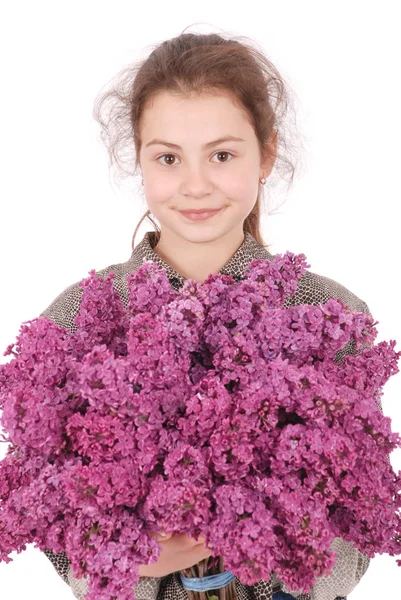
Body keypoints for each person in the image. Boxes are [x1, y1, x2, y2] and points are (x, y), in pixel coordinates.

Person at [39, 25, 375, 600]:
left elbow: (357, 517)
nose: (195, 185)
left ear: (266, 155)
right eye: (168, 157)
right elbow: (50, 514)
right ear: (139, 163)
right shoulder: (78, 318)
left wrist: (269, 548)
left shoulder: (328, 313)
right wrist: (129, 558)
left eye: (222, 155)